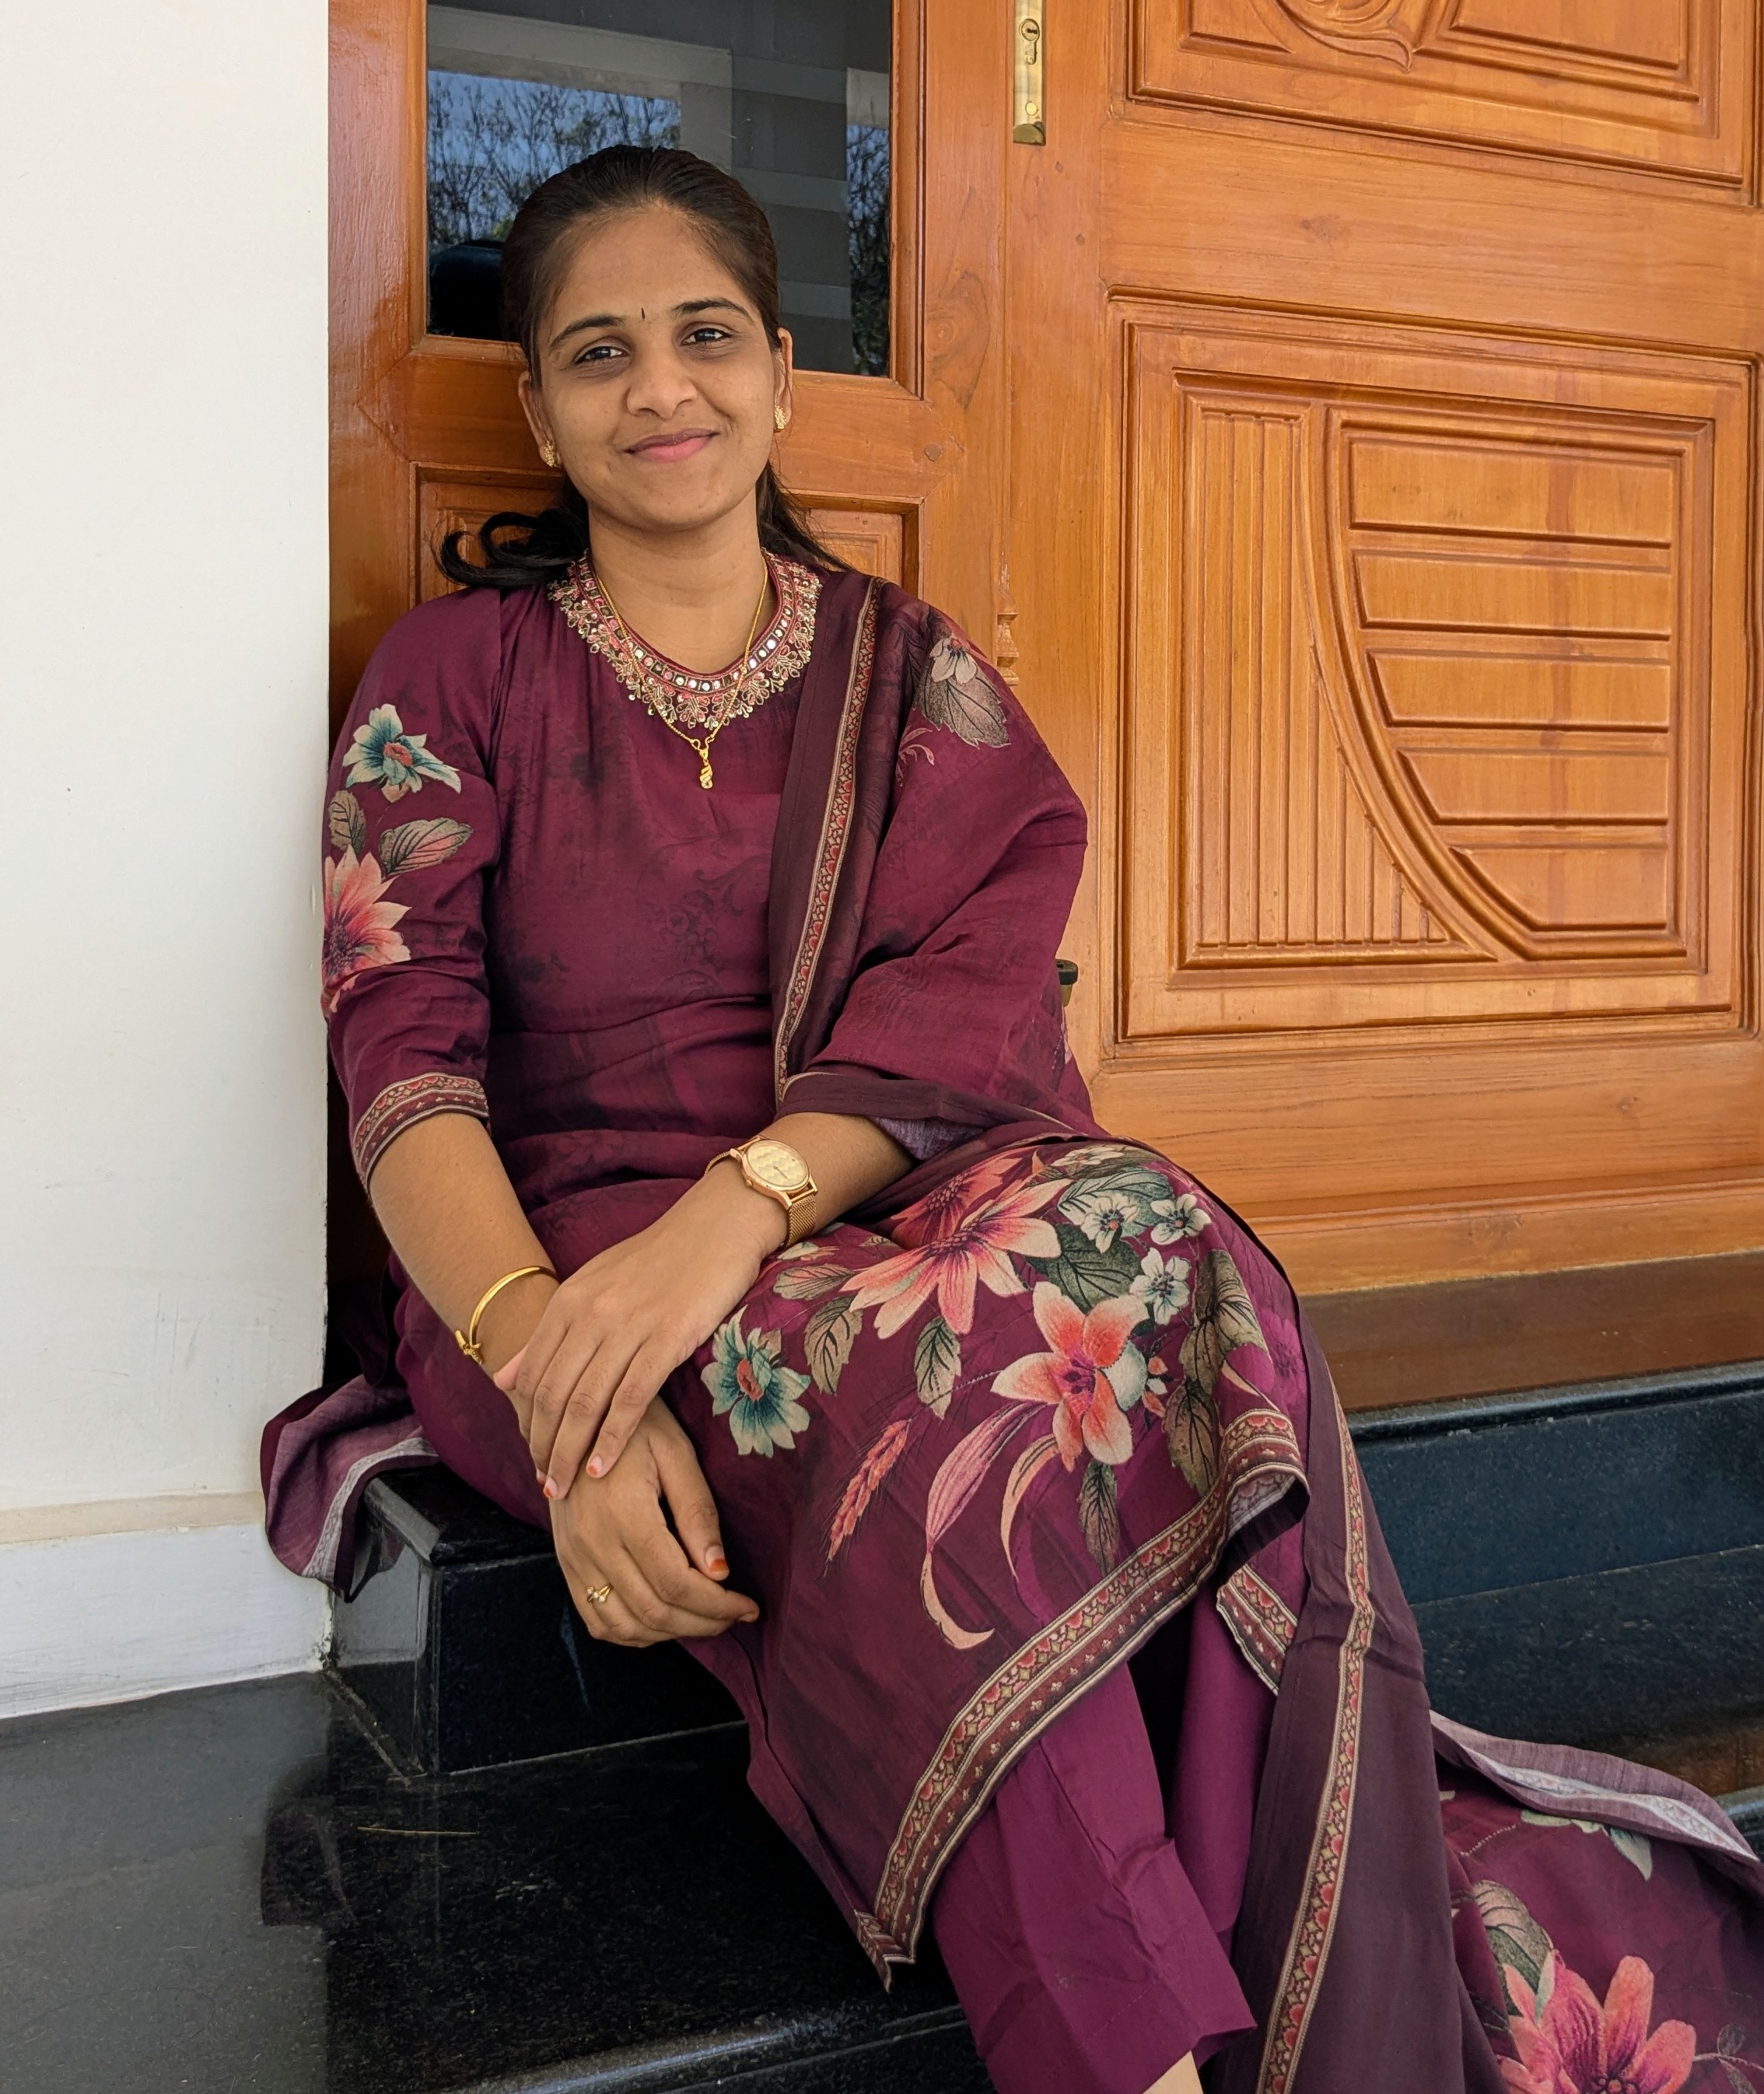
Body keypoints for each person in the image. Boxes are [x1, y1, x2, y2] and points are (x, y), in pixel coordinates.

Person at [266, 148, 1763, 2092]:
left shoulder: (908, 672)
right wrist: (565, 1382)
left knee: (1157, 1237)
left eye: (705, 334)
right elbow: (402, 1069)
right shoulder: (457, 678)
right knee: (940, 1411)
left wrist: (737, 1217)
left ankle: (1281, 1931)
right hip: (552, 1269)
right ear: (543, 413)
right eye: (600, 352)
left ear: (781, 374)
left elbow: (968, 1012)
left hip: (846, 1205)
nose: (662, 388)